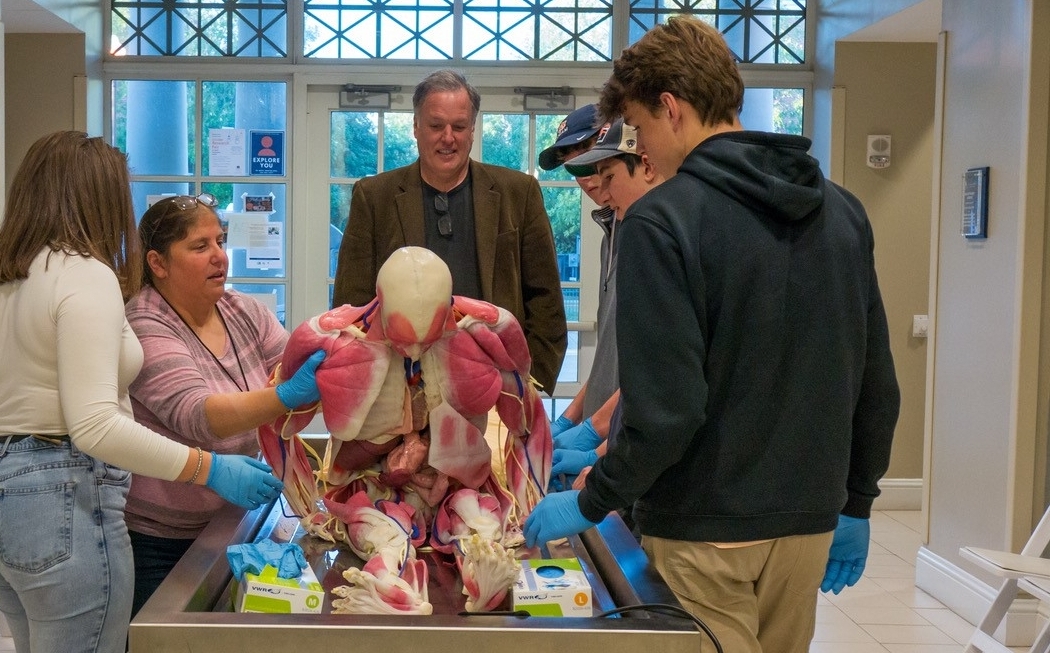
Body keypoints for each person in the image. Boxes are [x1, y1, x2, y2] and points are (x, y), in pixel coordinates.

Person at [524, 16, 901, 653]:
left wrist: (594, 501)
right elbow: (874, 377)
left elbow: (667, 408)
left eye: (639, 129)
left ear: (671, 109)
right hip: (808, 523)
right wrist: (857, 501)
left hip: (704, 527)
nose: (641, 150)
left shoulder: (661, 221)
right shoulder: (842, 210)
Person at [0, 131, 284, 653]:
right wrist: (209, 468)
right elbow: (93, 425)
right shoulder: (84, 275)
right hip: (65, 493)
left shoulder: (16, 276)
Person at [124, 193, 325, 618]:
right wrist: (285, 396)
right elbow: (199, 415)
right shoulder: (143, 322)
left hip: (230, 526)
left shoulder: (241, 310)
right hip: (160, 540)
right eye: (200, 247)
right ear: (158, 263)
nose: (219, 256)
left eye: (221, 241)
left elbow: (288, 366)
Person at [332, 69, 567, 395]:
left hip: (498, 388)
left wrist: (528, 382)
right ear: (416, 127)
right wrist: (367, 392)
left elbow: (547, 303)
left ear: (472, 131)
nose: (448, 137)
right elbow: (351, 306)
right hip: (398, 391)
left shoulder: (519, 192)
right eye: (435, 125)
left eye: (459, 126)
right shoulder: (374, 197)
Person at [550, 119, 665, 490]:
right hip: (609, 443)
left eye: (600, 168)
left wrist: (597, 441)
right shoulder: (611, 232)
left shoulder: (657, 238)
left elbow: (658, 374)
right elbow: (611, 358)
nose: (588, 179)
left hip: (629, 447)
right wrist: (570, 420)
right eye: (579, 169)